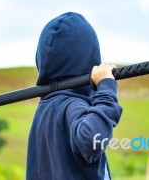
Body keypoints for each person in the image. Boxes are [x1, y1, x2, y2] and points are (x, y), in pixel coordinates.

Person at [26, 12, 123, 180]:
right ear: (89, 59)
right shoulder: (72, 105)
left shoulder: (45, 110)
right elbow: (92, 139)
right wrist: (106, 90)